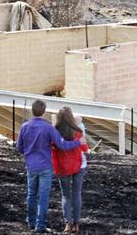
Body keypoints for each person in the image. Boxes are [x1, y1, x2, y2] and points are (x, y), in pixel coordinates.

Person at [17, 100, 83, 233]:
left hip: (31, 165)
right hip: (45, 166)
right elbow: (62, 145)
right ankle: (40, 225)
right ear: (44, 112)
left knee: (31, 194)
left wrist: (29, 154)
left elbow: (19, 147)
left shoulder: (24, 126)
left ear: (32, 111)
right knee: (43, 196)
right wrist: (77, 143)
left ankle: (31, 221)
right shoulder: (48, 128)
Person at [52, 108, 89, 234]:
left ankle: (67, 223)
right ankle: (77, 223)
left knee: (66, 195)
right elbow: (85, 148)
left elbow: (53, 148)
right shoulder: (78, 131)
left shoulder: (55, 132)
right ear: (71, 118)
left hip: (63, 167)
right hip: (79, 165)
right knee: (77, 193)